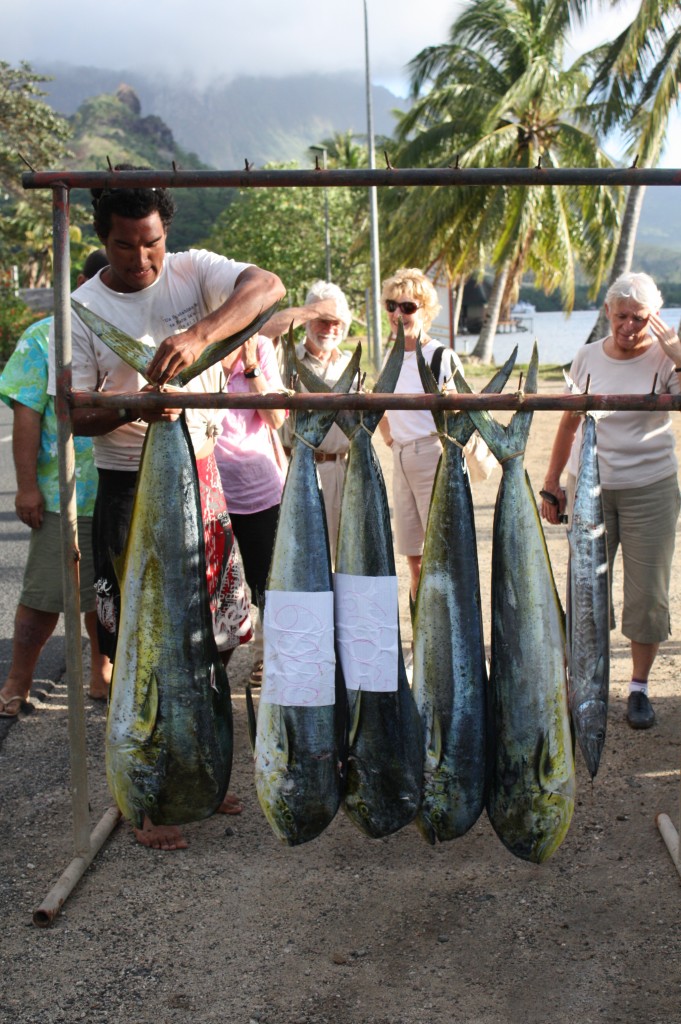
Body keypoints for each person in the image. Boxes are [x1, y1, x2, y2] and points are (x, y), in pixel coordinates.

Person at [47, 171, 285, 849]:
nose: (143, 260)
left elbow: (268, 288)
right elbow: (76, 415)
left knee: (209, 641)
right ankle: (145, 802)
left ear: (165, 233)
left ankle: (204, 776)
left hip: (202, 480)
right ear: (103, 239)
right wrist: (137, 406)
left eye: (151, 244)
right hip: (130, 486)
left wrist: (198, 334)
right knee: (139, 647)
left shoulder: (192, 273)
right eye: (126, 248)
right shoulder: (81, 307)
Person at [540, 271, 681, 731]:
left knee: (647, 595)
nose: (628, 326)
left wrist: (680, 359)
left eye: (639, 317)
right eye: (621, 316)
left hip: (651, 487)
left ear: (654, 317)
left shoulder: (665, 357)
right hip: (589, 490)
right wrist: (552, 482)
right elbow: (567, 424)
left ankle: (638, 687)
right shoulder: (585, 357)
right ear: (607, 312)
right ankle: (583, 685)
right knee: (585, 594)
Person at [0, 250, 112, 719]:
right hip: (65, 493)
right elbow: (26, 417)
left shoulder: (124, 336)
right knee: (46, 595)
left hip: (121, 488)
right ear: (80, 282)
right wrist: (27, 487)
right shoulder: (43, 337)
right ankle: (17, 682)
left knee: (103, 594)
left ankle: (100, 674)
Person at [377, 267, 497, 609]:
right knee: (413, 560)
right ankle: (423, 642)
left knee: (442, 556)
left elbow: (465, 413)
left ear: (425, 310)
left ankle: (450, 640)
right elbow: (383, 409)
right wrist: (393, 443)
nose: (398, 313)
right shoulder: (392, 355)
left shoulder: (440, 356)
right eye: (391, 306)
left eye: (408, 307)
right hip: (402, 456)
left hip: (435, 455)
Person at [215, 333, 287, 686]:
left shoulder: (259, 347)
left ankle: (274, 666)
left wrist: (251, 365)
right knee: (214, 589)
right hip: (208, 487)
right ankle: (211, 676)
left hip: (258, 490)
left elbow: (276, 419)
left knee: (267, 588)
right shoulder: (196, 344)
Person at [279, 281, 353, 562]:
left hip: (339, 471)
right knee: (297, 556)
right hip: (296, 466)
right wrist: (310, 310)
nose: (331, 329)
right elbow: (267, 331)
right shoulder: (284, 358)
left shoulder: (350, 365)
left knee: (339, 557)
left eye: (337, 323)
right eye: (323, 321)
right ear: (309, 319)